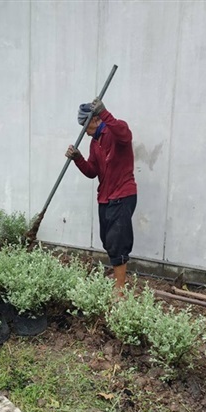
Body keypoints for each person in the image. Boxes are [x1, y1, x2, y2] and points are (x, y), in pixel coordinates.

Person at [65, 98, 137, 294]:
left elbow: (125, 135)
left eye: (85, 126)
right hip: (105, 196)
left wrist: (105, 112)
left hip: (122, 193)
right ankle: (118, 276)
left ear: (96, 120)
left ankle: (120, 289)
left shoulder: (115, 131)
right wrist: (78, 158)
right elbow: (92, 172)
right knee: (107, 239)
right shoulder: (94, 143)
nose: (84, 131)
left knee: (117, 241)